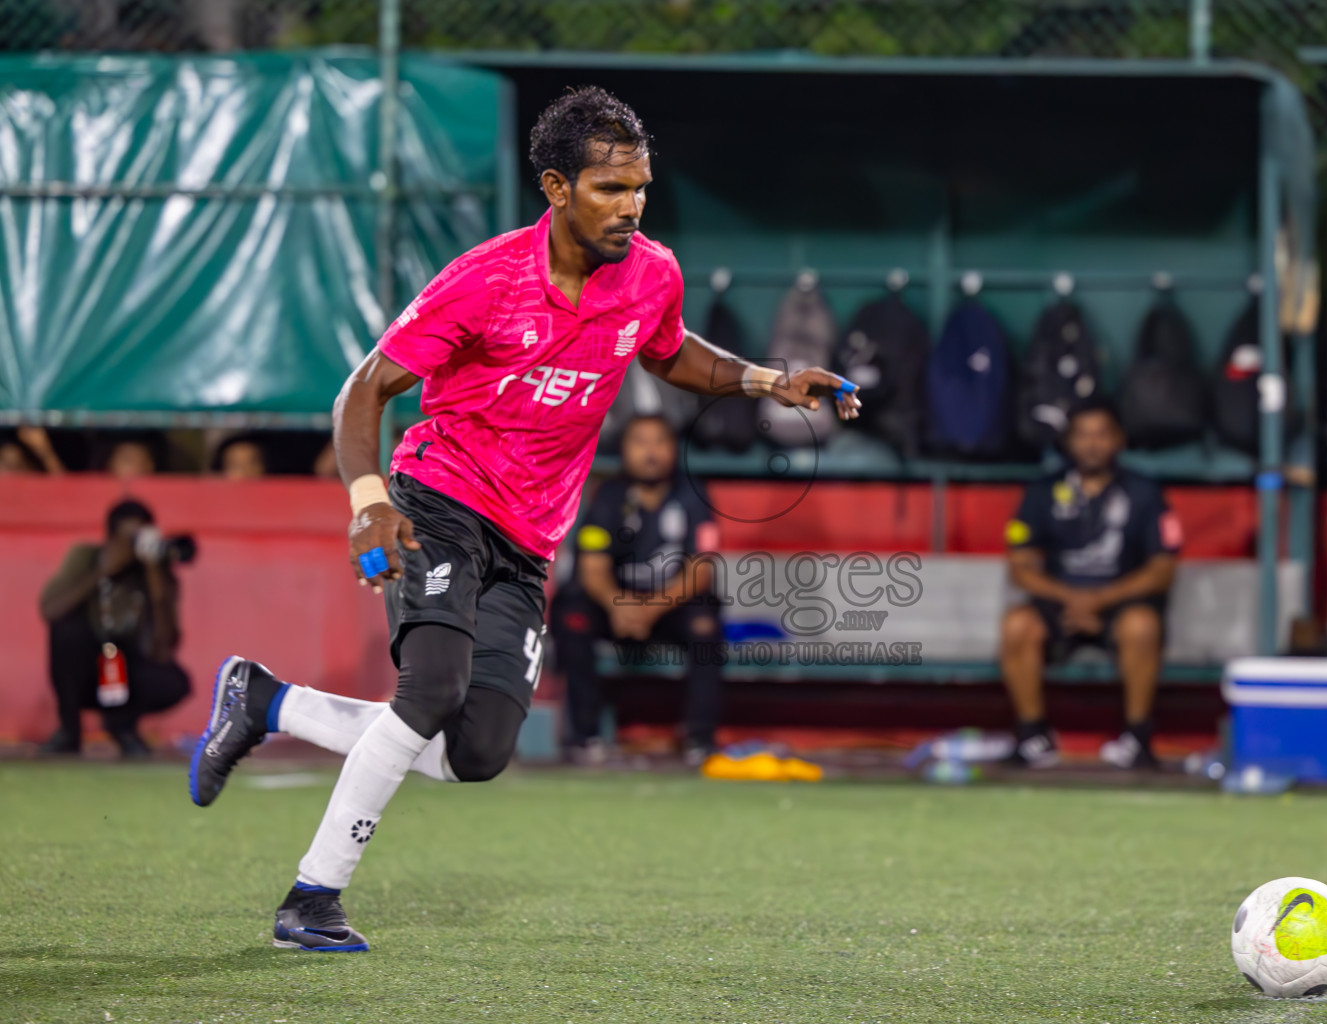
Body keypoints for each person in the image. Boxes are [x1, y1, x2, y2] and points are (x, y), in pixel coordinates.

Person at [186, 86, 859, 952]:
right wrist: (369, 502)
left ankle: (267, 701)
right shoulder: (486, 280)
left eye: (641, 187)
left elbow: (670, 348)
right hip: (440, 495)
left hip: (529, 536)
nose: (632, 206)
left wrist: (770, 379)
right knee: (428, 692)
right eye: (611, 189)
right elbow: (364, 390)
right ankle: (312, 899)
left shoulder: (652, 272)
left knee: (478, 752)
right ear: (555, 187)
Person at [998, 397, 1181, 770]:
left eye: (1102, 435)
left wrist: (1099, 599)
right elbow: (1021, 567)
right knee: (1017, 624)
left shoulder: (1145, 493)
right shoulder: (1042, 492)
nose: (1093, 444)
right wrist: (1074, 599)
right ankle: (1033, 736)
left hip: (1122, 601)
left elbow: (1162, 570)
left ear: (1119, 440)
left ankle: (1137, 739)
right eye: (1083, 435)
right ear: (1068, 441)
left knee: (1142, 626)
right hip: (1060, 603)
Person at [552, 414, 723, 765]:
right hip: (615, 605)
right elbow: (592, 568)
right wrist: (619, 605)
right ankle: (585, 738)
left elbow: (701, 570)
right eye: (640, 442)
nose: (651, 452)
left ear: (673, 449)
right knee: (570, 615)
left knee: (706, 625)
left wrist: (650, 609)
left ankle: (700, 740)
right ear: (625, 450)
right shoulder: (608, 496)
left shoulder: (693, 493)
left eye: (659, 441)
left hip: (668, 607)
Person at [37, 500, 191, 758]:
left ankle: (123, 728)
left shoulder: (157, 574)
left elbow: (164, 649)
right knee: (66, 630)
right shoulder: (86, 557)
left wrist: (156, 583)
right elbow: (50, 610)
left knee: (172, 681)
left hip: (128, 668)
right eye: (128, 538)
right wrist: (102, 572)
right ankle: (68, 730)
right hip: (87, 667)